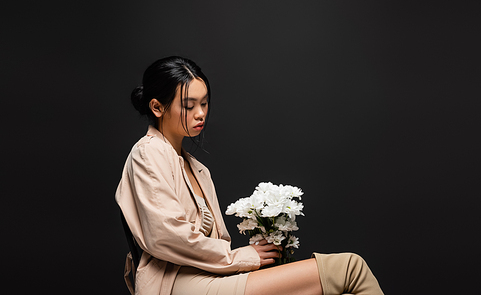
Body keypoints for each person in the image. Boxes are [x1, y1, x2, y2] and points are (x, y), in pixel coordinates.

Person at [116, 56, 384, 295]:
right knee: (350, 267)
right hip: (177, 283)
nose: (200, 114)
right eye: (189, 106)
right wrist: (243, 257)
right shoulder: (148, 153)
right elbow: (166, 237)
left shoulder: (196, 168)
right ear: (156, 107)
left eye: (205, 103)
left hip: (209, 275)